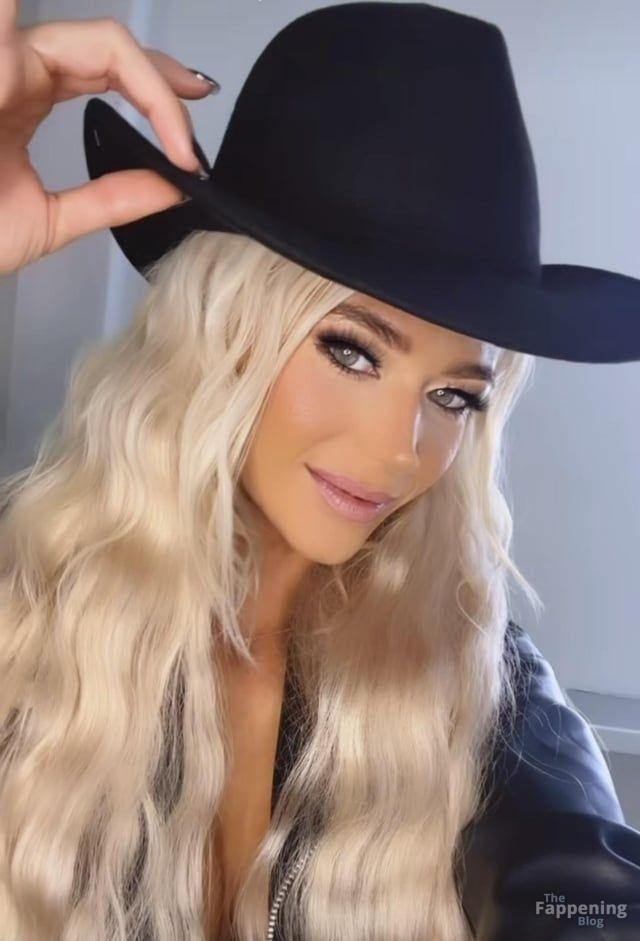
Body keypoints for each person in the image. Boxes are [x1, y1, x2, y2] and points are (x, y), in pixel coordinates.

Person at [1, 4, 639, 941]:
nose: (399, 449)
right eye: (352, 351)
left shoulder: (470, 685)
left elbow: (585, 891)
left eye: (455, 396)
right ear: (222, 326)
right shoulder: (27, 624)